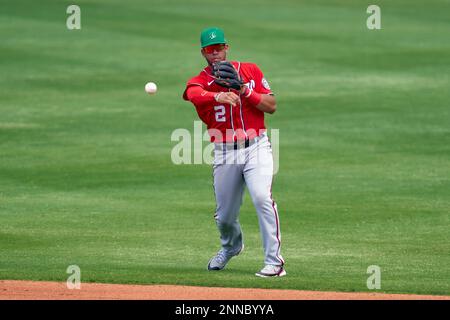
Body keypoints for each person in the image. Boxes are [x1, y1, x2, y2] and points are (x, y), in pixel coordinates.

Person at [182, 27, 285, 277]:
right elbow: (191, 94)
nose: (215, 53)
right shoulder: (200, 81)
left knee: (262, 198)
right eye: (210, 50)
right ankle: (231, 247)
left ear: (227, 47)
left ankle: (275, 262)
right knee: (225, 216)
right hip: (225, 152)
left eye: (219, 48)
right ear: (203, 53)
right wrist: (218, 97)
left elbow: (271, 106)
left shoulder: (250, 70)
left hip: (257, 147)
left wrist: (244, 90)